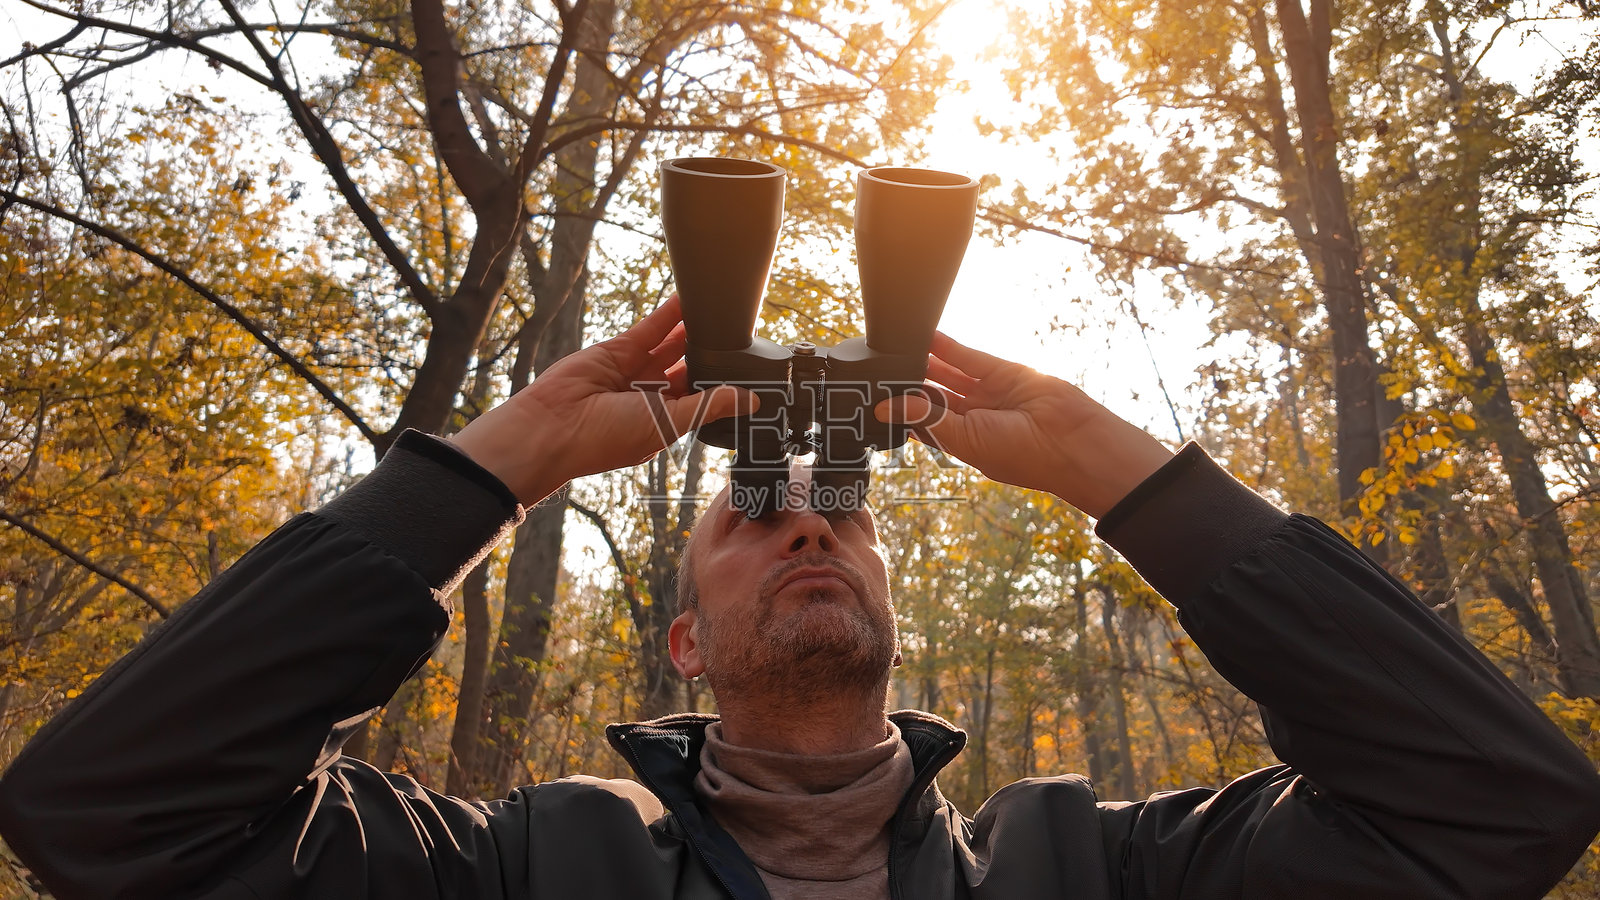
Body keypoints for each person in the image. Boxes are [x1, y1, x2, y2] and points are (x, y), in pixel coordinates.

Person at [1, 294, 1597, 900]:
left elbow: (1498, 811)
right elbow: (103, 816)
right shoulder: (522, 873)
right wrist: (504, 463)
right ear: (686, 640)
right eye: (755, 512)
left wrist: (1128, 478)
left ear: (895, 596)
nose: (808, 524)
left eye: (844, 510)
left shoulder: (1090, 871)